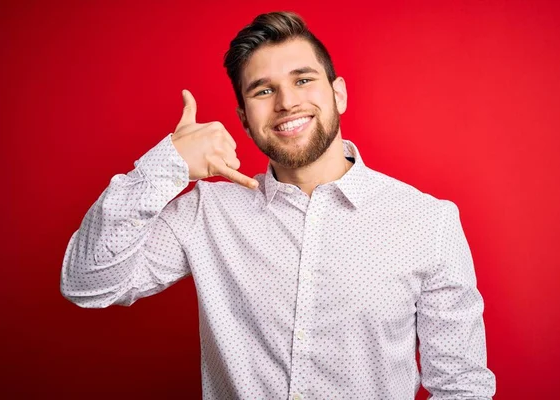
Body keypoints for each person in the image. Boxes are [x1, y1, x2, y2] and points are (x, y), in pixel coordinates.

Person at [60, 11, 496, 400]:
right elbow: (88, 285)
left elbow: (462, 387)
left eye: (303, 80)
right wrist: (167, 164)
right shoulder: (207, 212)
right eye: (263, 90)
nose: (287, 102)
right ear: (244, 118)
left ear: (338, 94)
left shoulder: (428, 222)